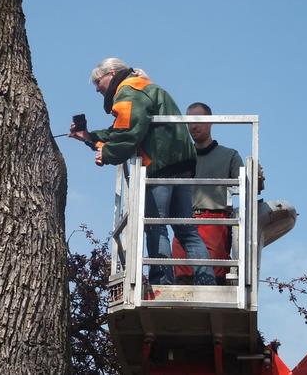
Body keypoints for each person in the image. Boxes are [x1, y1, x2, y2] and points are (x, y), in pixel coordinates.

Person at [69, 57, 216, 286]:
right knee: (186, 229)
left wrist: (108, 154)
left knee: (155, 227)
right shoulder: (144, 87)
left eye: (98, 81)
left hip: (161, 165)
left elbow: (127, 134)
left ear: (111, 74)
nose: (97, 88)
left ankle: (162, 283)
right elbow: (125, 129)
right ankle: (207, 283)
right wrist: (90, 138)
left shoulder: (129, 91)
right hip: (182, 164)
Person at [172, 102, 246, 285]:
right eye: (189, 122)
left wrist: (258, 178)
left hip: (213, 221)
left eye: (198, 120)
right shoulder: (179, 156)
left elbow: (249, 186)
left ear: (211, 122)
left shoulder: (229, 156)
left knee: (212, 279)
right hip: (184, 222)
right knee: (182, 278)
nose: (193, 126)